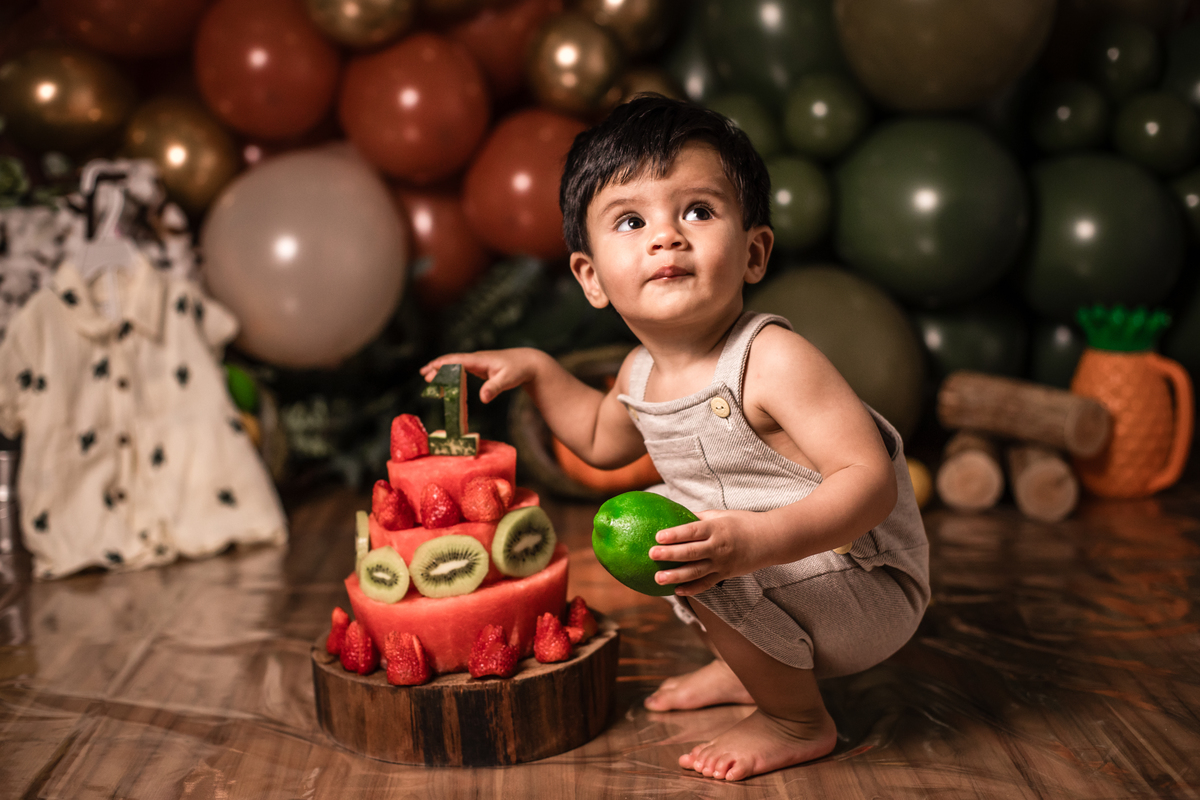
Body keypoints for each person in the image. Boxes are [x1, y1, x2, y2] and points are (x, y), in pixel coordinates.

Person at [421, 94, 929, 782]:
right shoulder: (640, 369)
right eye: (631, 220)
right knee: (671, 529)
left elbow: (867, 486)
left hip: (866, 584)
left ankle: (797, 719)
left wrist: (751, 544)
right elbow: (601, 442)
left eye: (697, 210)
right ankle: (757, 665)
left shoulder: (773, 359)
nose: (667, 236)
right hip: (782, 571)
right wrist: (540, 371)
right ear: (591, 277)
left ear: (754, 253)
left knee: (697, 554)